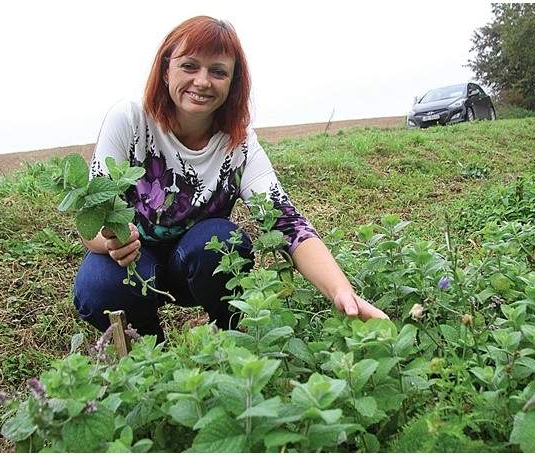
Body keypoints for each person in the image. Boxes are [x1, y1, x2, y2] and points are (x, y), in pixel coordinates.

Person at [73, 16, 388, 341]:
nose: (203, 81)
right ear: (167, 68)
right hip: (134, 262)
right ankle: (152, 355)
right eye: (189, 66)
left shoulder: (238, 145)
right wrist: (111, 242)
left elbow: (288, 224)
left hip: (197, 262)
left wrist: (342, 293)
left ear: (233, 81)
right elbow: (93, 215)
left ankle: (230, 339)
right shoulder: (130, 121)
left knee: (224, 243)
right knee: (99, 286)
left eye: (218, 71)